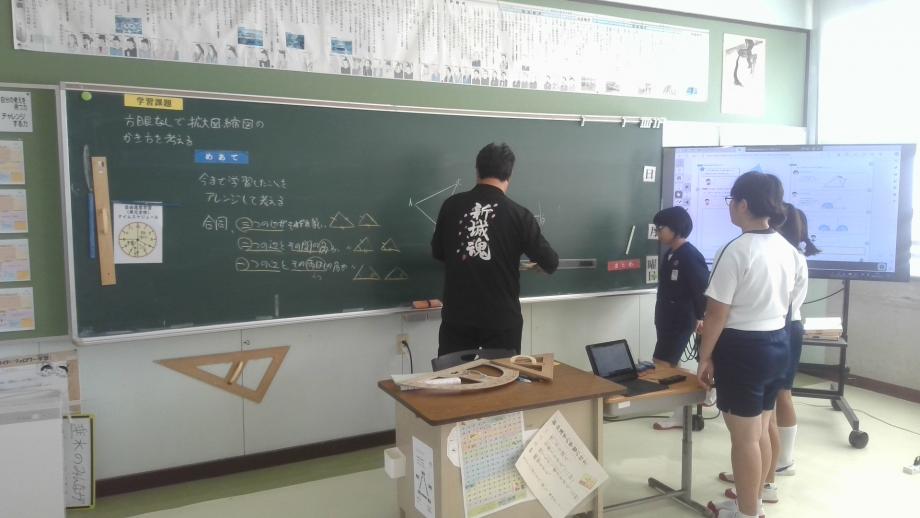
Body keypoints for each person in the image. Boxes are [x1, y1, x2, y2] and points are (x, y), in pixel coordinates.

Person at [698, 172, 806, 518]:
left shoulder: (736, 249)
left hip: (742, 350)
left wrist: (704, 357)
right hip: (778, 344)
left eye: (731, 201)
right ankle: (752, 503)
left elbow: (716, 314)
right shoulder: (787, 249)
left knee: (744, 439)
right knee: (759, 431)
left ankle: (747, 513)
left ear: (743, 204)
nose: (730, 207)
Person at [719, 202, 818, 504]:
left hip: (772, 332)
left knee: (764, 420)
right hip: (777, 331)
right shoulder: (783, 252)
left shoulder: (776, 252)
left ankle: (765, 483)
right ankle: (761, 483)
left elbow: (780, 302)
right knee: (763, 420)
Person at [431, 143, 559, 357]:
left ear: (477, 170)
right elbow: (550, 262)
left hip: (458, 316)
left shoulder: (451, 206)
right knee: (503, 377)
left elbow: (438, 253)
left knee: (453, 376)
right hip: (502, 319)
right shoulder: (519, 215)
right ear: (509, 174)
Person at [649, 207, 709, 431]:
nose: (657, 233)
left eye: (660, 228)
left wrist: (701, 317)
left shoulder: (690, 255)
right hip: (666, 318)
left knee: (662, 364)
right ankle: (682, 413)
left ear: (675, 228)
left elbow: (701, 289)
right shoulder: (671, 253)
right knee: (672, 365)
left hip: (680, 319)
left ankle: (700, 393)